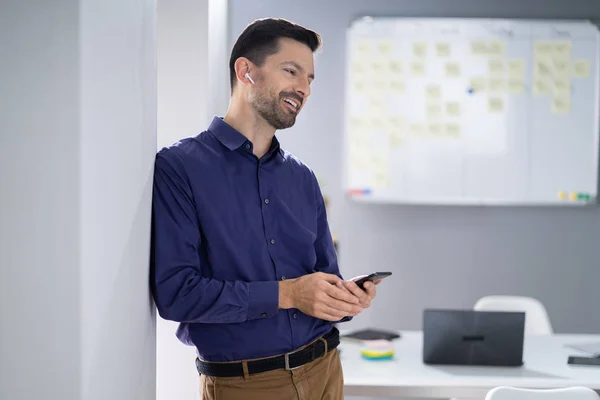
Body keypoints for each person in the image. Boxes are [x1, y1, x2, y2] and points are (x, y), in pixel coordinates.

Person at [150, 17, 380, 400]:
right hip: (247, 385)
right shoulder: (180, 168)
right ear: (246, 71)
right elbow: (177, 294)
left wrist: (345, 300)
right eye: (291, 71)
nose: (303, 88)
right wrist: (288, 294)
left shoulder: (302, 178)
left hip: (326, 370)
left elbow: (320, 281)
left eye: (309, 79)